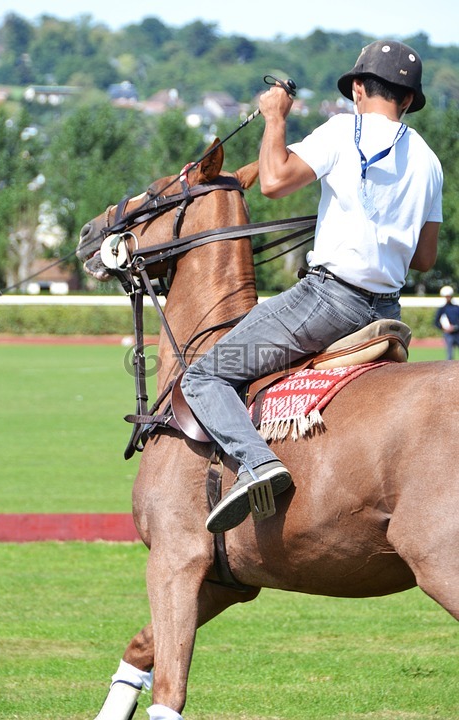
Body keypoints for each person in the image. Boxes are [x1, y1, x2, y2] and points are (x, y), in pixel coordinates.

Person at [181, 39, 443, 534]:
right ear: (408, 100)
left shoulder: (344, 130)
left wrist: (274, 116)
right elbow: (425, 258)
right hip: (387, 311)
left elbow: (277, 180)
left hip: (327, 303)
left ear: (359, 89)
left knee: (204, 377)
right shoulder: (429, 160)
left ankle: (258, 464)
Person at [434, 285, 459, 359]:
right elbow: (436, 322)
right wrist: (444, 328)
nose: (448, 298)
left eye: (449, 296)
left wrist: (455, 327)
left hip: (458, 333)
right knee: (449, 356)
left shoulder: (456, 308)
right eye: (446, 296)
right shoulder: (442, 308)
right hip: (448, 335)